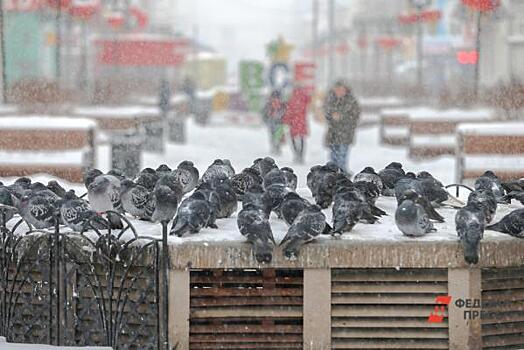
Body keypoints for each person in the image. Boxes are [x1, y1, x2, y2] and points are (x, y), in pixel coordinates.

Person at [323, 80, 361, 173]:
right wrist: (331, 115)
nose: (339, 92)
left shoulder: (351, 101)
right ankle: (333, 174)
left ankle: (342, 174)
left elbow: (355, 116)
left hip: (345, 133)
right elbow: (326, 112)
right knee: (333, 156)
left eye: (341, 89)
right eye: (337, 89)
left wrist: (341, 117)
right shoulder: (330, 100)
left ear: (345, 90)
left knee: (342, 155)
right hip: (333, 133)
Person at [282, 84, 312, 163]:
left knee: (293, 139)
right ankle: (301, 155)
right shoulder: (304, 99)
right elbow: (309, 100)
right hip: (302, 122)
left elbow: (288, 111)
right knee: (302, 139)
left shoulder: (292, 100)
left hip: (293, 122)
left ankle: (296, 154)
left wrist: (286, 120)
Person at [262, 91, 287, 155]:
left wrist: (266, 120)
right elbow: (285, 112)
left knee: (273, 136)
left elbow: (264, 113)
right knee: (277, 136)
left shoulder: (269, 104)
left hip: (274, 123)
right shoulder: (282, 104)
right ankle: (276, 147)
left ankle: (275, 147)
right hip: (278, 123)